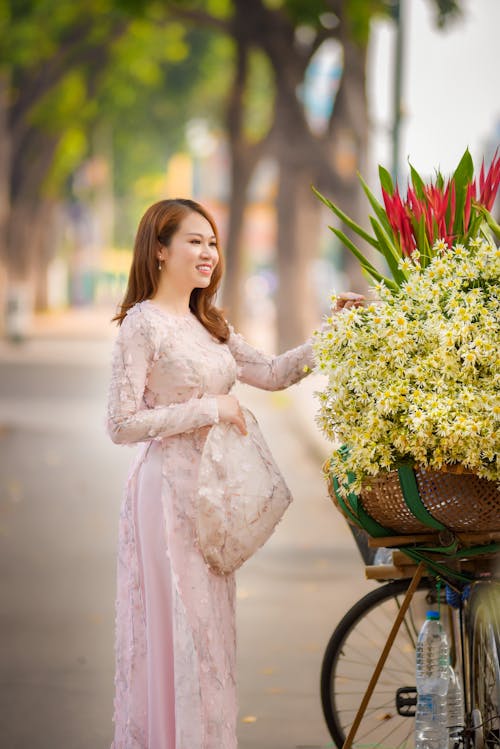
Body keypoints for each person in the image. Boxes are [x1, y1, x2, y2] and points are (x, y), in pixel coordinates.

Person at [106, 198, 363, 749]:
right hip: (167, 496)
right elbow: (121, 424)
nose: (207, 252)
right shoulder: (142, 325)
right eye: (194, 241)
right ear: (159, 250)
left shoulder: (209, 323)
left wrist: (333, 332)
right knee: (180, 630)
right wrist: (211, 408)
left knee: (212, 635)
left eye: (212, 242)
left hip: (211, 499)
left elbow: (271, 374)